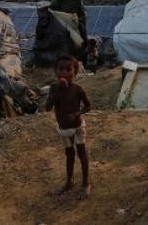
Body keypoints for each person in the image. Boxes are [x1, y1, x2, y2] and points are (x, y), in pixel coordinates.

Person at [45, 54, 93, 200]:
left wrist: (75, 114)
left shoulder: (78, 89)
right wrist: (57, 91)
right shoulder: (54, 88)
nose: (64, 72)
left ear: (75, 72)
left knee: (82, 154)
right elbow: (48, 107)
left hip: (77, 126)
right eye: (61, 69)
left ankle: (85, 183)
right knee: (69, 155)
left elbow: (88, 106)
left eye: (68, 69)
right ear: (56, 71)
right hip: (64, 129)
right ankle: (69, 181)